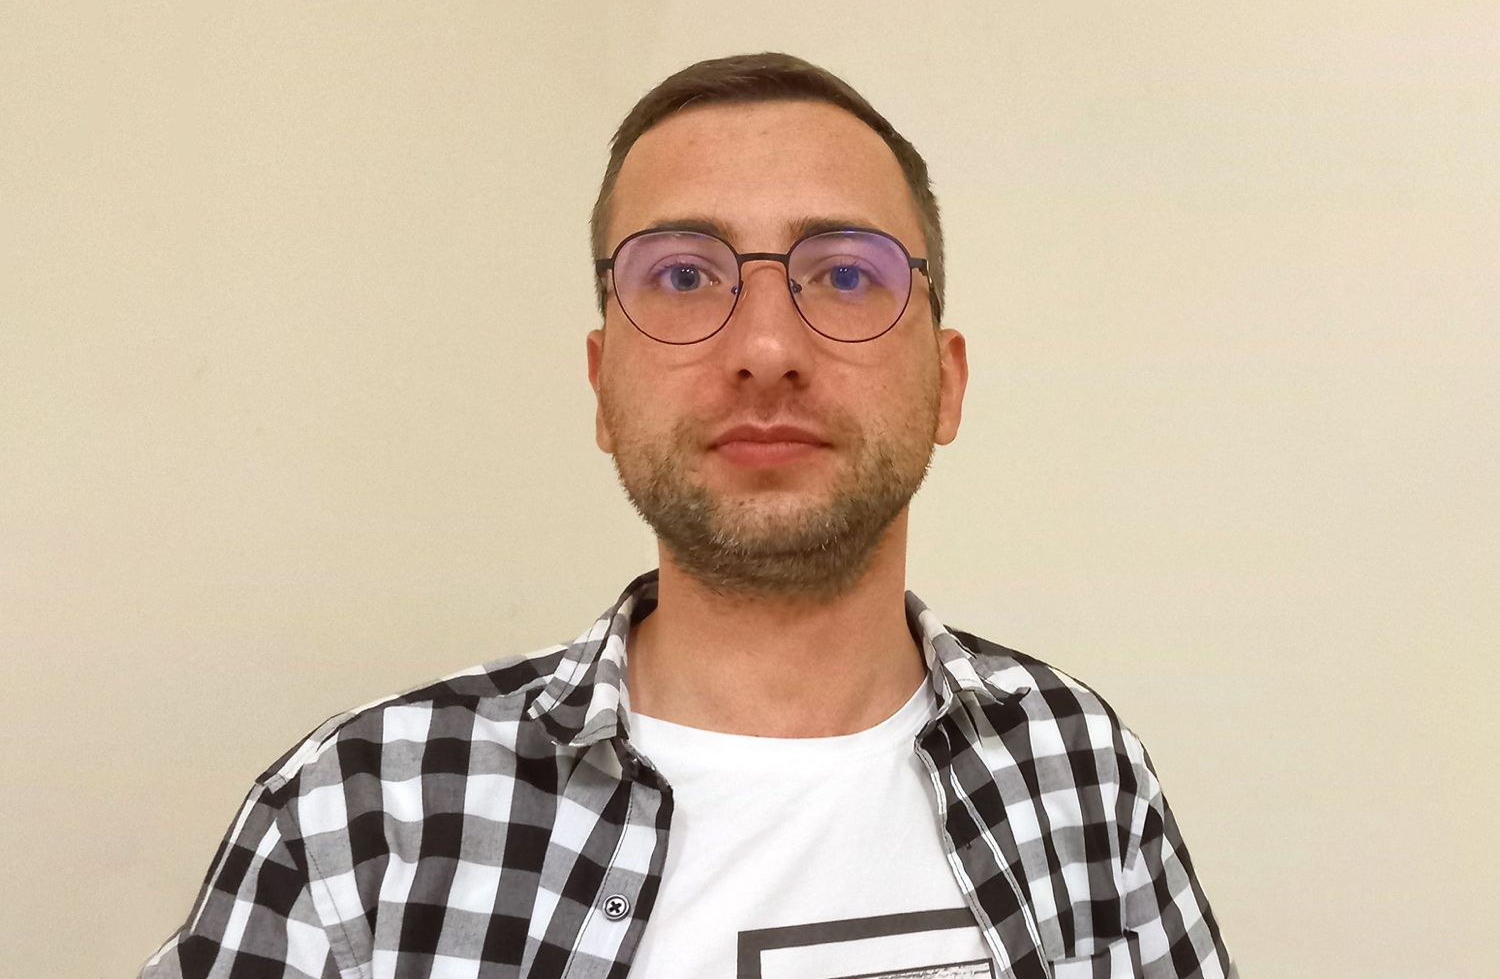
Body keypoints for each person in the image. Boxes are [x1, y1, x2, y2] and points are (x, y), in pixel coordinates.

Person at [142, 52, 1233, 979]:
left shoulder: (1081, 768)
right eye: (681, 275)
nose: (766, 348)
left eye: (845, 274)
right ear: (602, 385)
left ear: (946, 384)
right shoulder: (357, 822)